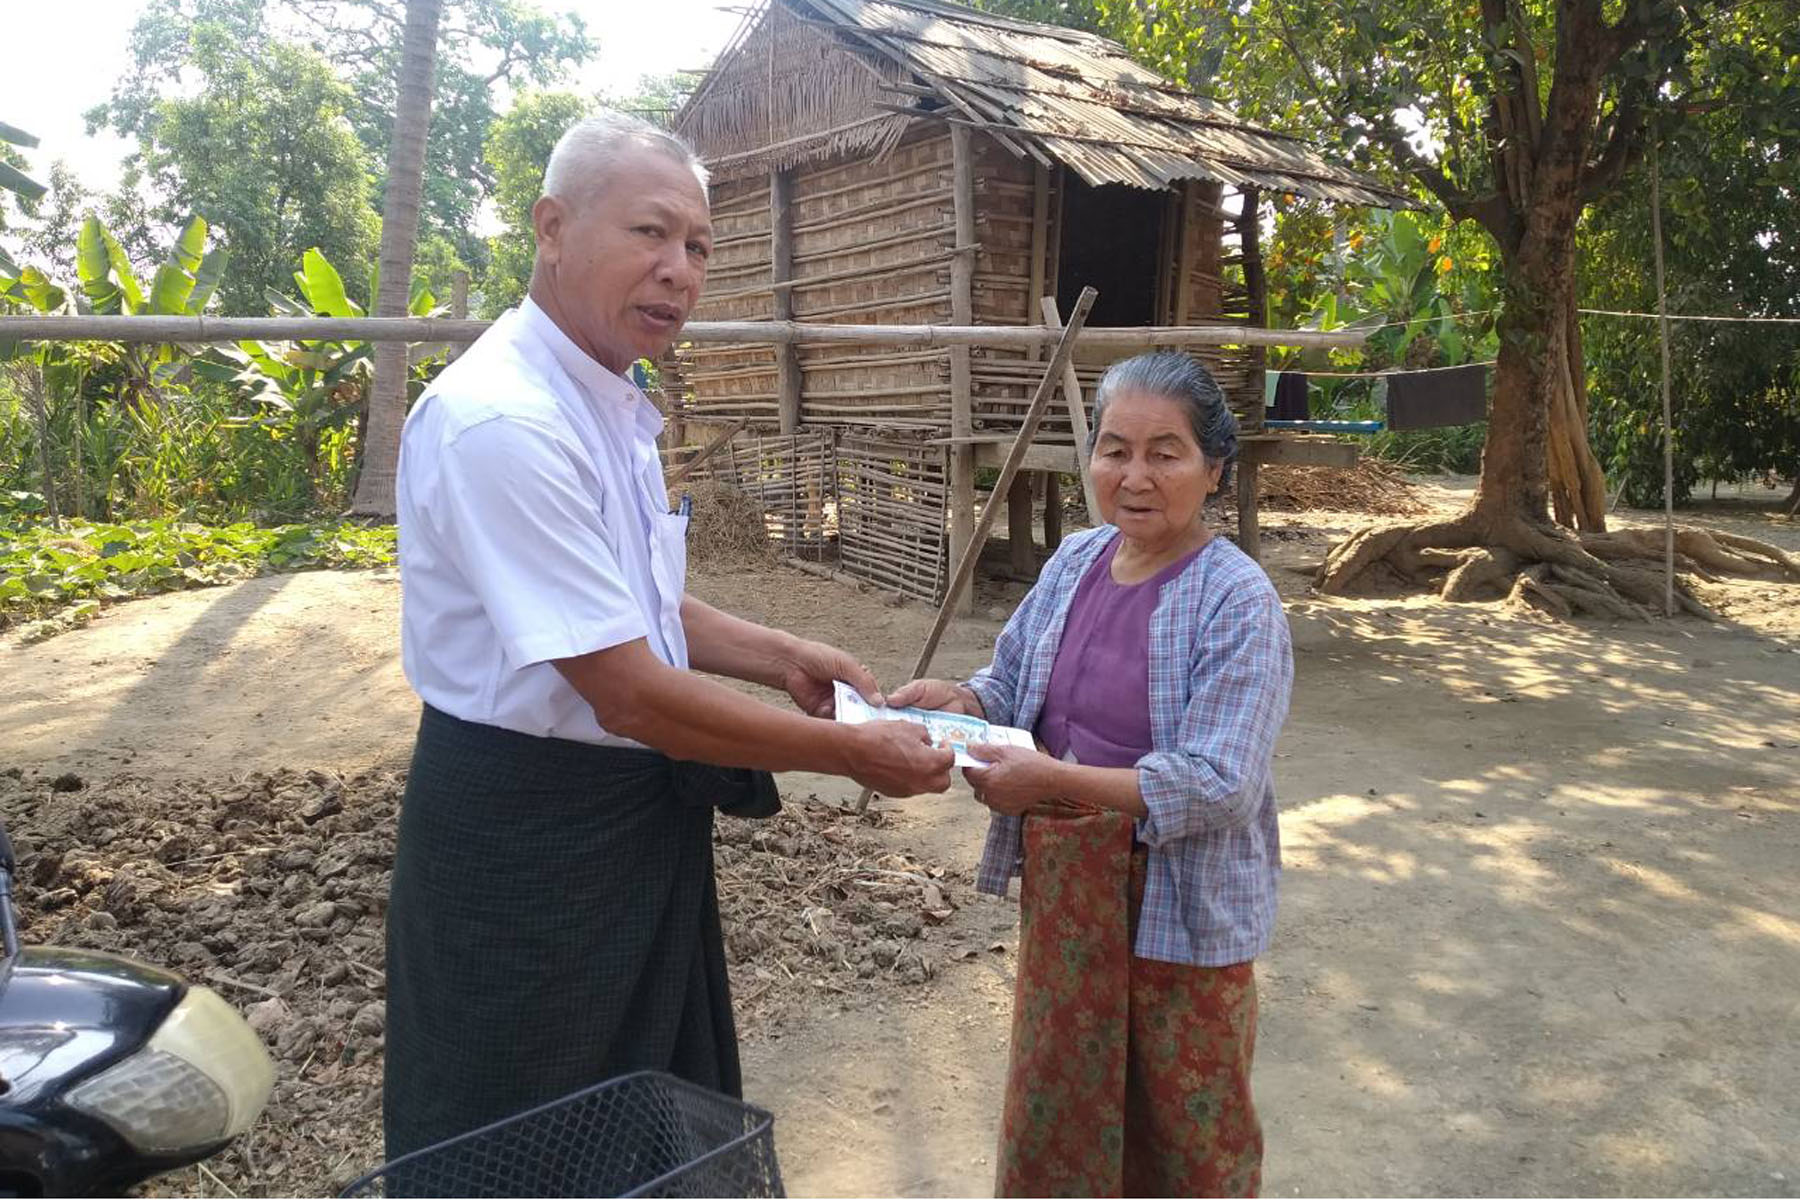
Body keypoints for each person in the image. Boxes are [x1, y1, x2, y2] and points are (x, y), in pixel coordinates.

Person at [384, 112, 953, 1166]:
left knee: (643, 1123)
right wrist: (846, 753)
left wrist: (781, 654)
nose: (679, 270)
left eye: (697, 246)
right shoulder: (504, 422)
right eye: (649, 232)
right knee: (524, 1135)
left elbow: (627, 605)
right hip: (528, 848)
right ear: (553, 227)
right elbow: (628, 690)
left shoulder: (607, 402)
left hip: (626, 833)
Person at [890, 351, 1294, 1197]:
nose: (1134, 476)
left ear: (1215, 468)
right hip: (1071, 892)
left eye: (1165, 453)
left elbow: (1219, 783)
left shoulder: (1238, 599)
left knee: (1184, 1129)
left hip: (1179, 901)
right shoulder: (1075, 561)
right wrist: (961, 701)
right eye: (1115, 450)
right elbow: (1012, 684)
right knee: (1061, 1102)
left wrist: (1050, 784)